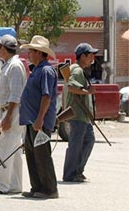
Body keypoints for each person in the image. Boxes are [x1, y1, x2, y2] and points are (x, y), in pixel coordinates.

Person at [19, 35, 59, 199]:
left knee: (42, 155)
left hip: (38, 122)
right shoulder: (36, 70)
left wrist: (40, 118)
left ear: (39, 53)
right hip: (31, 120)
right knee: (31, 154)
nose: (29, 53)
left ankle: (49, 189)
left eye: (31, 51)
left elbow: (46, 96)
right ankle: (37, 187)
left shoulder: (46, 71)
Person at [0, 35, 27, 194]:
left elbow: (16, 95)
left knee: (5, 147)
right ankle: (14, 184)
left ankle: (1, 185)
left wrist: (8, 117)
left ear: (3, 49)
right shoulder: (9, 65)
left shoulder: (14, 66)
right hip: (8, 110)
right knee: (14, 149)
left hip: (12, 111)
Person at [62, 43, 98, 182]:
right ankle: (70, 173)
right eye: (90, 55)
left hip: (82, 115)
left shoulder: (77, 70)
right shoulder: (77, 70)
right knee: (76, 144)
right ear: (83, 56)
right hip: (77, 115)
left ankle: (77, 170)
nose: (92, 58)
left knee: (88, 140)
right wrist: (88, 91)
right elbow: (71, 87)